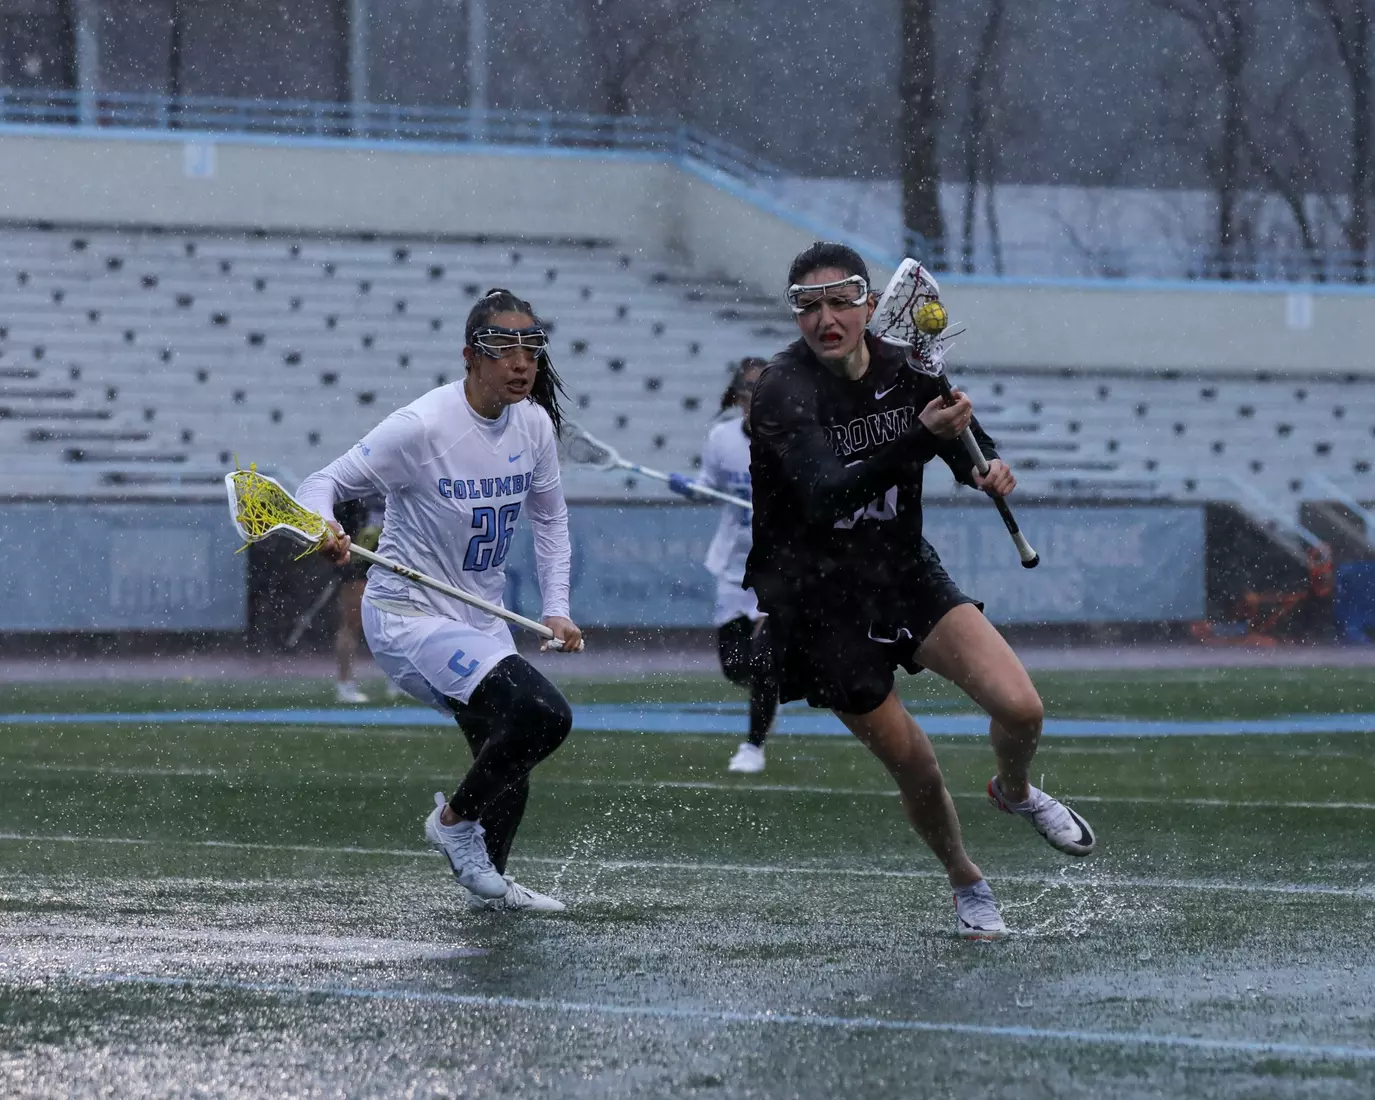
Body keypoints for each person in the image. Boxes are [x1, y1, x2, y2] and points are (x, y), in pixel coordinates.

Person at [745, 242, 1097, 940]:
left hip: (903, 572)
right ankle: (966, 880)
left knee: (1021, 709)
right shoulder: (782, 390)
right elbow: (822, 495)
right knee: (916, 766)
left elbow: (960, 437)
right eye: (808, 307)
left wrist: (985, 466)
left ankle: (1015, 791)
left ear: (869, 305)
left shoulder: (908, 367)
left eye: (839, 301)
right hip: (818, 609)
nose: (825, 319)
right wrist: (918, 438)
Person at [298, 287, 585, 913]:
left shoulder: (533, 424)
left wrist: (556, 606)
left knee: (507, 749)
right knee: (545, 715)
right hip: (408, 618)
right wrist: (324, 525)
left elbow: (551, 522)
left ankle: (493, 888)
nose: (520, 362)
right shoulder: (422, 426)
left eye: (530, 348)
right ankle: (453, 824)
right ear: (469, 356)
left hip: (480, 618)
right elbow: (322, 483)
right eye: (502, 347)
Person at [668, 358, 778, 773]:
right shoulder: (722, 438)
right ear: (738, 397)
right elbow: (709, 487)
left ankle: (753, 745)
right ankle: (774, 685)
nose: (754, 400)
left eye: (762, 391)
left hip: (779, 568)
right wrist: (690, 488)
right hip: (734, 567)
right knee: (736, 667)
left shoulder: (791, 437)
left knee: (765, 661)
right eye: (748, 391)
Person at [331, 497, 380, 704]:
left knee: (400, 619)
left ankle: (399, 681)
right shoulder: (353, 497)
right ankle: (345, 682)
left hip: (386, 560)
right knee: (352, 622)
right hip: (358, 563)